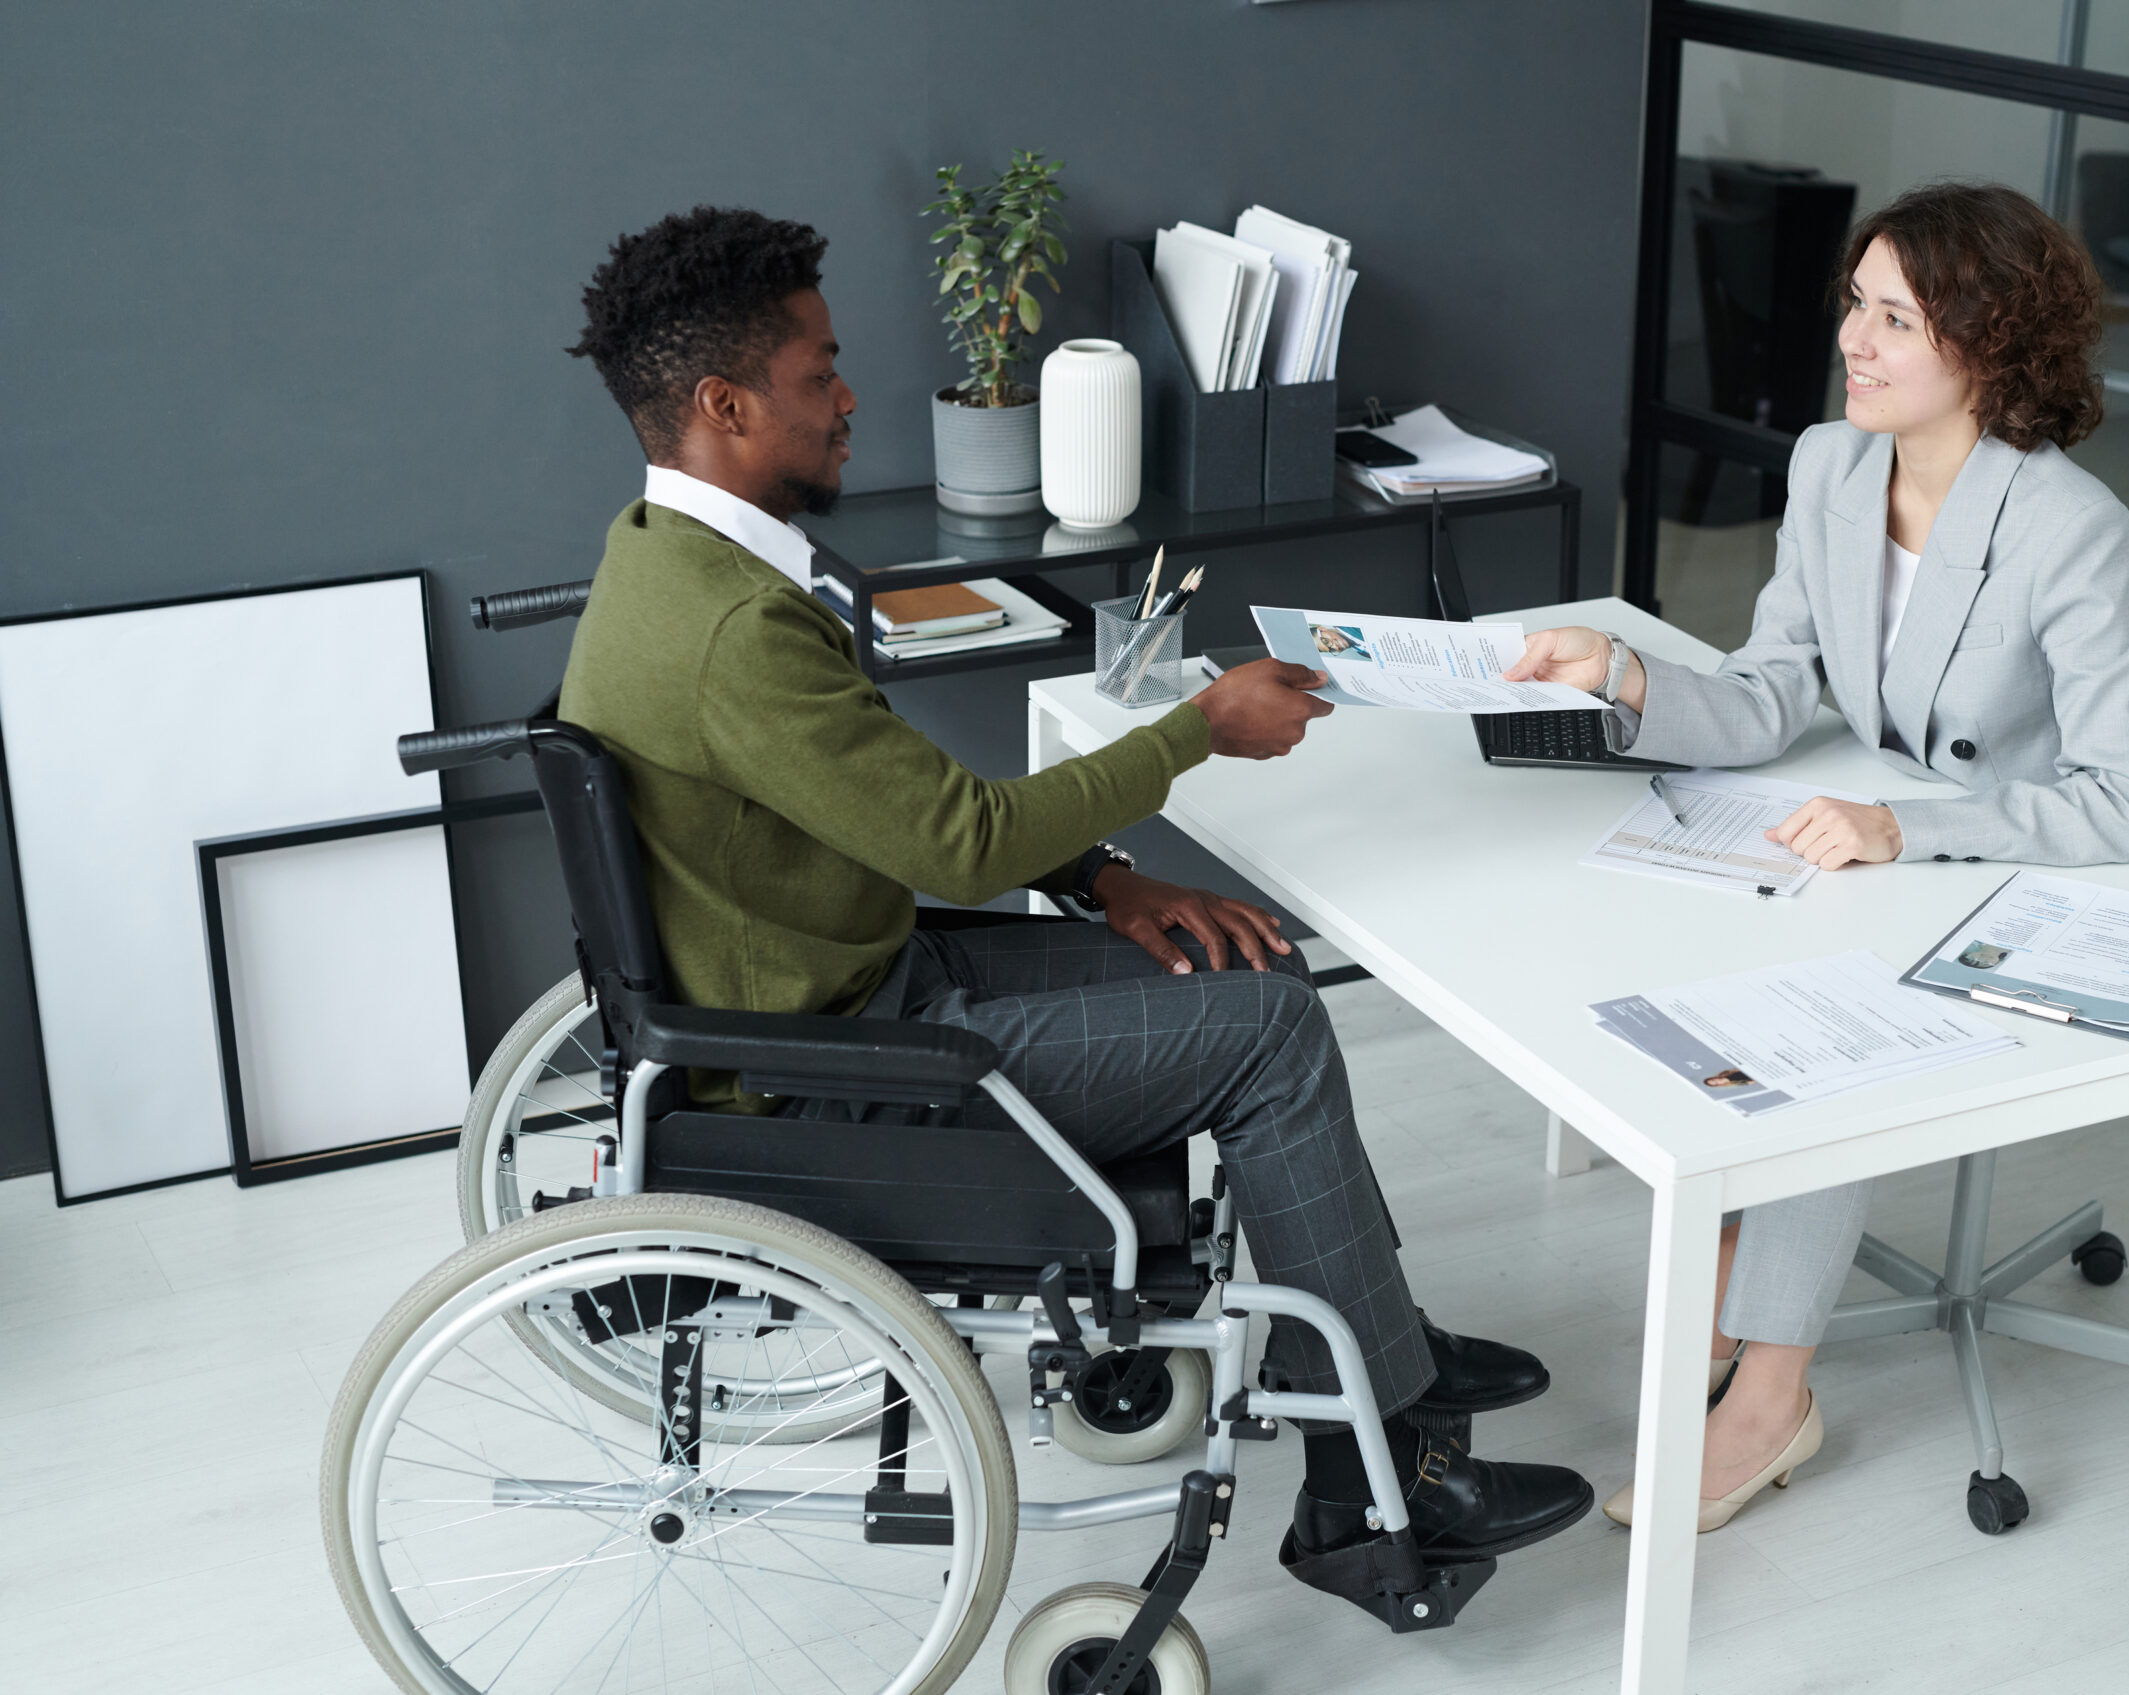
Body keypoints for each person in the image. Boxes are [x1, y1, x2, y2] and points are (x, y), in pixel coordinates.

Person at [555, 206, 1592, 1602]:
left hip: (845, 991)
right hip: (844, 1072)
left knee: (1244, 979)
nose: (852, 397)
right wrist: (1195, 729)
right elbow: (961, 839)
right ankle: (1373, 1481)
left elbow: (901, 809)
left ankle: (1367, 1345)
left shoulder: (663, 556)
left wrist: (1107, 881)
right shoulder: (740, 628)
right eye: (820, 372)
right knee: (1273, 1034)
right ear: (724, 407)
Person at [1505, 181, 2129, 1534]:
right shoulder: (1832, 468)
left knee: (1837, 1038)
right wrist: (1628, 674)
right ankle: (1735, 1255)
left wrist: (1903, 829)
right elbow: (1773, 692)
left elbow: (2125, 802)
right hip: (1930, 873)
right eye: (1855, 306)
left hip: (2079, 891)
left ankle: (1775, 1397)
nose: (1854, 342)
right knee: (1727, 942)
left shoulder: (2069, 528)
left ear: (1993, 349)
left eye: (1897, 317)